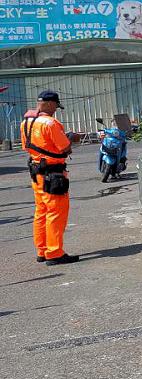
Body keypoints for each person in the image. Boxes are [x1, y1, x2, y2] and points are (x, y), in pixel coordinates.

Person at [20, 90, 79, 266]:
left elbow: (26, 147)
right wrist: (70, 138)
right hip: (53, 174)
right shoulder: (51, 123)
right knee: (55, 213)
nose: (56, 109)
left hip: (36, 173)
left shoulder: (26, 122)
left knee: (41, 212)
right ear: (49, 104)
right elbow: (65, 149)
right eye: (55, 106)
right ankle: (54, 253)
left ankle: (42, 251)